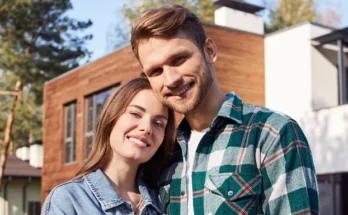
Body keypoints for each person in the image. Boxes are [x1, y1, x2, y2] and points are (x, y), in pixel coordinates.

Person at [130, 4, 319, 215]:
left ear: (209, 51)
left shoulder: (272, 134)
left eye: (179, 59)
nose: (171, 79)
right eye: (156, 71)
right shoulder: (164, 153)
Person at [41, 77, 176, 215]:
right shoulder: (68, 200)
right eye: (135, 114)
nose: (147, 128)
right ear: (111, 118)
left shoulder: (165, 203)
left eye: (158, 123)